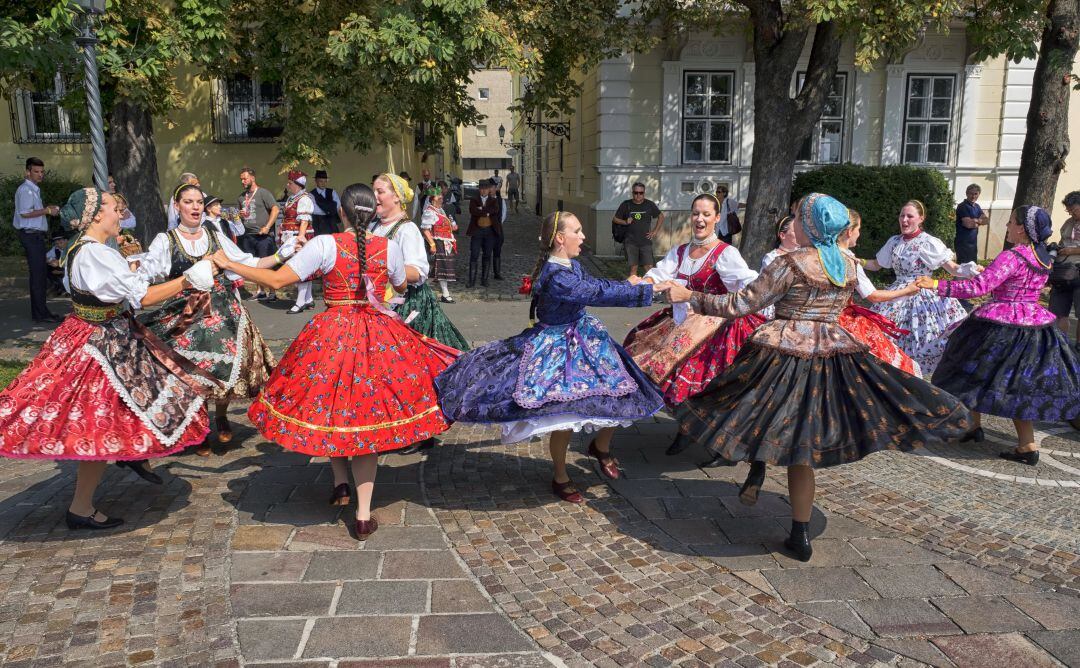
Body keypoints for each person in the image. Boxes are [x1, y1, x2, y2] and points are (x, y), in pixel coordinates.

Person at [664, 194, 970, 562]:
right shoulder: (847, 264)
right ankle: (800, 531)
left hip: (782, 355)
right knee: (803, 445)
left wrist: (691, 296)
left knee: (752, 414)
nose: (792, 223)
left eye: (797, 217)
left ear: (809, 225)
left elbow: (740, 304)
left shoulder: (790, 263)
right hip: (831, 355)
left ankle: (760, 476)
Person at [211, 183, 458, 540]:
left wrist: (230, 264)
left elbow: (277, 280)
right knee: (366, 418)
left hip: (332, 335)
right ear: (372, 212)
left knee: (333, 406)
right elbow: (402, 286)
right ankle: (362, 513)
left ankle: (341, 484)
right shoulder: (387, 246)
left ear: (341, 212)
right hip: (377, 336)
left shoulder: (325, 244)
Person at [0, 187, 217, 529]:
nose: (121, 215)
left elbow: (119, 287)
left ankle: (131, 457)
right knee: (99, 418)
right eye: (116, 208)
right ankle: (81, 507)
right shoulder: (95, 254)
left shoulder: (84, 249)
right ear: (97, 214)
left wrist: (136, 267)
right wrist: (188, 279)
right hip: (100, 344)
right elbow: (142, 296)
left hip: (98, 334)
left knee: (130, 403)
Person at [436, 211, 667, 504]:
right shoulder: (557, 276)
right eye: (577, 231)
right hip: (557, 347)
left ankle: (601, 446)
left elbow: (597, 284)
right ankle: (560, 476)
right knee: (564, 414)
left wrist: (630, 284)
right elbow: (595, 293)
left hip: (585, 338)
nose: (583, 236)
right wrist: (645, 290)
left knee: (624, 391)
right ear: (560, 238)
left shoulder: (571, 264)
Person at [920, 205, 1080, 463]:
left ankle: (978, 428)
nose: (1007, 226)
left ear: (1022, 229)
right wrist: (991, 274)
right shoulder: (1042, 257)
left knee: (968, 369)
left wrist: (937, 284)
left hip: (1001, 323)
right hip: (1034, 323)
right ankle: (1012, 440)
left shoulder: (1012, 256)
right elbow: (1012, 281)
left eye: (1011, 222)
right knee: (1018, 384)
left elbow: (978, 287)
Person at [137, 184, 278, 455]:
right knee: (193, 369)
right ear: (177, 206)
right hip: (187, 311)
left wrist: (283, 254)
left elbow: (247, 263)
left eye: (199, 202)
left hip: (223, 309)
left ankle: (221, 415)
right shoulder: (166, 240)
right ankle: (199, 425)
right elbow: (145, 277)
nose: (195, 207)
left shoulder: (215, 234)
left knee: (227, 365)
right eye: (188, 202)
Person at [622, 193, 762, 456]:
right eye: (696, 213)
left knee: (692, 372)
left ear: (717, 218)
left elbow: (749, 286)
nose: (700, 219)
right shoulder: (680, 251)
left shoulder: (725, 253)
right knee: (642, 352)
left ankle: (700, 431)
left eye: (706, 214)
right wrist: (643, 282)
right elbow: (659, 274)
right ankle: (687, 425)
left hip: (714, 322)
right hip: (681, 319)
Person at [862, 200, 980, 375]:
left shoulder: (928, 242)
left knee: (924, 337)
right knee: (886, 336)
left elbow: (953, 269)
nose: (904, 220)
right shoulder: (894, 241)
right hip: (897, 293)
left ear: (921, 218)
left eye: (910, 216)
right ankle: (896, 374)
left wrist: (972, 271)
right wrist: (856, 261)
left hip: (924, 294)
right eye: (902, 215)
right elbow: (876, 264)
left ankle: (918, 377)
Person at [370, 173, 470, 352]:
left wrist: (380, 267)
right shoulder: (374, 227)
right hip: (378, 302)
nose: (374, 196)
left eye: (380, 191)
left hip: (406, 304)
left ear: (396, 197)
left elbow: (416, 273)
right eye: (373, 192)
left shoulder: (406, 230)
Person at [837, 211, 922, 376]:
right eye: (858, 229)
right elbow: (873, 296)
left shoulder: (821, 253)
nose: (859, 234)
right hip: (841, 319)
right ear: (849, 232)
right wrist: (908, 290)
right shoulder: (848, 260)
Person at [13, 157, 61, 323]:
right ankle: (40, 314)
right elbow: (25, 213)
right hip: (31, 236)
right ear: (27, 172)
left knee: (39, 275)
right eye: (36, 171)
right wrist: (47, 210)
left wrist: (47, 209)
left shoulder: (32, 189)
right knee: (38, 276)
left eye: (42, 171)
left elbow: (32, 211)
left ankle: (41, 312)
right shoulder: (26, 190)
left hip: (34, 236)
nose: (40, 175)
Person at [237, 167, 281, 301]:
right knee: (254, 265)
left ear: (252, 178)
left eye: (245, 178)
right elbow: (240, 215)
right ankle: (260, 291)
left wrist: (267, 227)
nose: (243, 181)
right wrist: (239, 215)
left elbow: (275, 209)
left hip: (263, 236)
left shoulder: (263, 193)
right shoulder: (241, 197)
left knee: (267, 264)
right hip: (248, 235)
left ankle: (272, 292)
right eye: (241, 179)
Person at [280, 171, 317, 314]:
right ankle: (308, 299)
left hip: (300, 236)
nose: (288, 185)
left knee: (301, 268)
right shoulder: (292, 198)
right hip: (291, 235)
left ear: (297, 184)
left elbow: (304, 221)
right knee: (303, 267)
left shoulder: (304, 199)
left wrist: (300, 238)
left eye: (290, 183)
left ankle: (300, 302)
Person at [1048, 190, 1080, 346]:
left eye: (1074, 210)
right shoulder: (1068, 223)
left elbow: (1071, 248)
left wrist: (1072, 251)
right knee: (1058, 312)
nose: (1071, 213)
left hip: (1078, 271)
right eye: (1069, 210)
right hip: (1062, 273)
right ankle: (1060, 345)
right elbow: (1063, 242)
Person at [613, 183, 664, 278]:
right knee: (633, 268)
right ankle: (633, 286)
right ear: (632, 193)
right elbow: (615, 219)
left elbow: (661, 216)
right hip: (630, 242)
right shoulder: (626, 204)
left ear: (644, 193)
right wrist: (625, 222)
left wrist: (655, 231)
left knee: (649, 268)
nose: (638, 195)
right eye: (636, 192)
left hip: (645, 241)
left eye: (641, 193)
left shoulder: (649, 204)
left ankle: (650, 286)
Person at [420, 185, 459, 304]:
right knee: (434, 269)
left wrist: (452, 226)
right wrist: (432, 244)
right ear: (433, 199)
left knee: (441, 269)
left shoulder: (440, 211)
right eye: (439, 198)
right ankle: (422, 292)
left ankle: (444, 294)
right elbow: (425, 229)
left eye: (442, 197)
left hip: (444, 243)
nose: (441, 200)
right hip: (437, 243)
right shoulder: (429, 212)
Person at [466, 179, 503, 287]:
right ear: (479, 189)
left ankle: (484, 279)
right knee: (474, 254)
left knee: (487, 255)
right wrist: (486, 211)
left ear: (489, 190)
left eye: (486, 189)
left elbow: (495, 210)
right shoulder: (474, 199)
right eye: (482, 189)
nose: (484, 191)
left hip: (489, 231)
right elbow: (473, 211)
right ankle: (471, 280)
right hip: (477, 231)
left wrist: (482, 210)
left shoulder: (493, 200)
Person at [955, 184, 988, 264]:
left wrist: (975, 221)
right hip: (963, 244)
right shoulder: (962, 206)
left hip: (973, 244)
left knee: (972, 267)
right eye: (971, 193)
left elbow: (986, 221)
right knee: (963, 268)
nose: (973, 196)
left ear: (979, 194)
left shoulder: (977, 206)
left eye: (976, 194)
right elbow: (968, 224)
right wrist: (979, 221)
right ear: (966, 193)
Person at [309, 169, 344, 236]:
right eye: (321, 181)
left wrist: (329, 208)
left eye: (325, 181)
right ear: (316, 181)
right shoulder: (311, 194)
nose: (323, 183)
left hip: (332, 223)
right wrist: (331, 208)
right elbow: (315, 210)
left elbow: (338, 205)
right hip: (318, 223)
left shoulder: (332, 192)